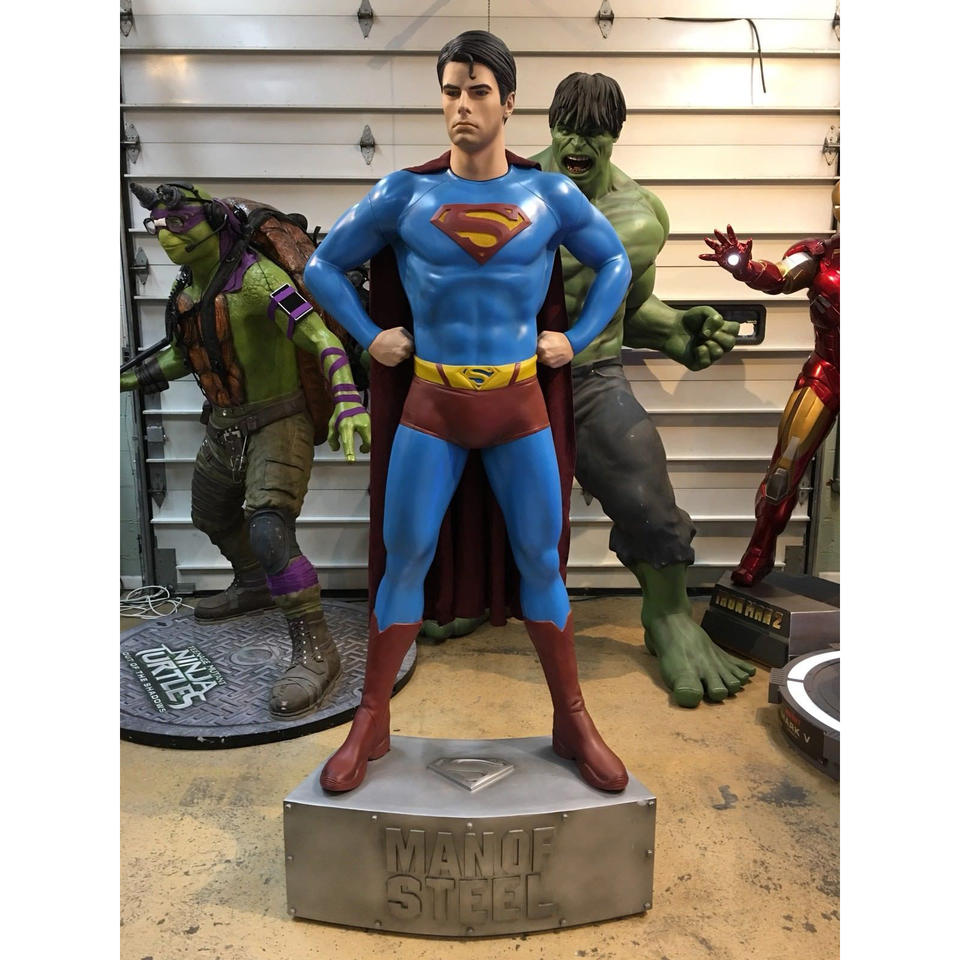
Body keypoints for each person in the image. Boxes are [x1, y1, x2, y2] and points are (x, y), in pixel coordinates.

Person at [304, 31, 632, 793]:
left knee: (542, 560)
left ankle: (573, 720)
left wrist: (577, 339)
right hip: (432, 405)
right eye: (451, 90)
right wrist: (369, 335)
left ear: (509, 102)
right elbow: (321, 265)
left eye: (478, 91)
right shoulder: (403, 195)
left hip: (519, 404)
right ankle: (371, 721)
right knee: (405, 557)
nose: (462, 105)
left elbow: (615, 260)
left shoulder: (550, 196)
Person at [529, 73, 756, 707]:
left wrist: (677, 331)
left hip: (591, 377)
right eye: (568, 130)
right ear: (550, 126)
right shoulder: (506, 187)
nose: (579, 145)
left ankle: (668, 615)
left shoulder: (641, 213)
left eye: (594, 134)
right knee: (462, 492)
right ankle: (463, 596)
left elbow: (628, 309)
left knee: (647, 489)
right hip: (505, 380)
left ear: (615, 137)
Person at [122, 183, 371, 719]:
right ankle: (255, 582)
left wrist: (348, 400)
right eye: (158, 224)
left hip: (280, 420)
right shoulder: (189, 289)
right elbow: (184, 355)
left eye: (179, 222)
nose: (166, 234)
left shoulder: (259, 280)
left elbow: (321, 339)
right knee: (211, 514)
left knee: (269, 528)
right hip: (225, 425)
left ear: (213, 224)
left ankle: (316, 649)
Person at [700, 190, 839, 586]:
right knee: (783, 471)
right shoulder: (819, 257)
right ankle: (759, 553)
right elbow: (778, 276)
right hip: (828, 372)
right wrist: (745, 267)